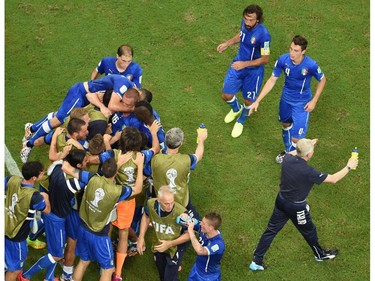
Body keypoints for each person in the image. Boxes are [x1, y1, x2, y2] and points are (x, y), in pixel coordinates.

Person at [249, 138, 359, 271]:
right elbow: (333, 179)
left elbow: (294, 152)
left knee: (271, 230)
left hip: (281, 200)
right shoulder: (309, 172)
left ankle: (257, 260)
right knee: (309, 231)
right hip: (296, 208)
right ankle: (320, 255)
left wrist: (307, 145)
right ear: (308, 155)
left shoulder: (287, 159)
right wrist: (349, 166)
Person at [60, 153, 144, 281]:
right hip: (99, 235)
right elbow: (137, 189)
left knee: (83, 261)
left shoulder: (92, 178)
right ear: (115, 173)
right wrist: (140, 164)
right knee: (108, 269)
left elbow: (65, 167)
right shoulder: (117, 191)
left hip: (82, 227)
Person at [20, 75, 137, 163]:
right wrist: (103, 107)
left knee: (59, 115)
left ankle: (31, 128)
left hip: (83, 96)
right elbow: (91, 96)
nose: (125, 105)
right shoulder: (123, 87)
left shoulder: (124, 87)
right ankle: (28, 145)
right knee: (59, 120)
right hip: (80, 94)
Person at [250, 35, 327, 163]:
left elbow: (322, 79)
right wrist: (257, 101)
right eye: (291, 49)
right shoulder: (283, 60)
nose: (292, 53)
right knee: (286, 124)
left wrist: (314, 100)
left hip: (302, 104)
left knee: (297, 139)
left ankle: (296, 161)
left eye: (296, 51)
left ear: (303, 51)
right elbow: (272, 80)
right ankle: (288, 151)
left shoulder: (311, 65)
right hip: (285, 100)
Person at [18, 150, 88, 281]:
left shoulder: (56, 167)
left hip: (51, 213)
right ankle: (26, 275)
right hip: (57, 220)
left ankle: (49, 278)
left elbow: (58, 163)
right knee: (56, 255)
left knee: (56, 250)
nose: (87, 162)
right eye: (85, 161)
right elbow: (90, 178)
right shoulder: (73, 183)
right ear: (77, 165)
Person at [217, 4, 271, 138]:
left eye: (251, 20)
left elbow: (265, 59)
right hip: (238, 65)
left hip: (253, 72)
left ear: (258, 20)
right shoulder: (245, 24)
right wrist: (227, 43)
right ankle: (236, 109)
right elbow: (241, 35)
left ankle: (241, 120)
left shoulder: (264, 35)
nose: (247, 22)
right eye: (246, 19)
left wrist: (245, 64)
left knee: (248, 101)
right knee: (226, 95)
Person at [5, 161, 50, 281]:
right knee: (15, 269)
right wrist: (45, 197)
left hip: (5, 226)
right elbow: (47, 211)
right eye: (41, 173)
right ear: (34, 178)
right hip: (16, 237)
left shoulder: (11, 179)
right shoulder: (35, 197)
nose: (43, 173)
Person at [151, 127, 207, 219]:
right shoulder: (186, 160)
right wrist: (201, 140)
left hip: (162, 201)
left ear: (165, 142)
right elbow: (199, 155)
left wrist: (153, 133)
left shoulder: (155, 159)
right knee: (197, 224)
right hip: (182, 202)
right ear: (180, 144)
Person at [137, 186, 190, 281]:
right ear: (159, 200)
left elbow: (189, 234)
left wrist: (169, 244)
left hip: (175, 248)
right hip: (158, 246)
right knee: (162, 276)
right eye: (166, 204)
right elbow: (146, 217)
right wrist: (141, 237)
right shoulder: (151, 204)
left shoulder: (181, 213)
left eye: (172, 202)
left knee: (169, 279)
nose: (170, 206)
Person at [187, 212, 225, 281]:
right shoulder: (204, 230)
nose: (201, 223)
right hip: (196, 269)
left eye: (203, 223)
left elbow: (200, 251)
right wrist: (185, 217)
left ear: (211, 228)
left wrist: (191, 232)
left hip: (208, 277)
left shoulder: (218, 244)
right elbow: (191, 222)